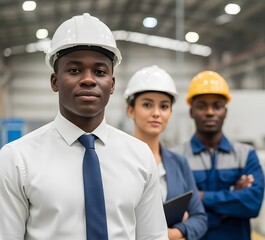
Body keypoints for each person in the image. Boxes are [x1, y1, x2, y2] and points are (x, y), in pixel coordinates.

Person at [0, 13, 168, 240]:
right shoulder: (17, 160)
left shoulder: (140, 157)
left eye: (100, 72)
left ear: (112, 84)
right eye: (74, 70)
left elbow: (153, 237)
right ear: (54, 81)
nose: (88, 79)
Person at [172, 70, 265, 240]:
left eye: (217, 105)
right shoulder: (176, 158)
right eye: (202, 106)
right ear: (191, 111)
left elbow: (252, 204)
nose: (209, 112)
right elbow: (176, 213)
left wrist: (200, 197)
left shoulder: (246, 155)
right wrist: (231, 201)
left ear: (225, 111)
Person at [124, 65, 208, 240]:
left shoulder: (179, 163)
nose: (156, 113)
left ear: (170, 112)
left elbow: (200, 219)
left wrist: (173, 233)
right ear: (131, 110)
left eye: (164, 106)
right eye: (147, 104)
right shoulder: (117, 159)